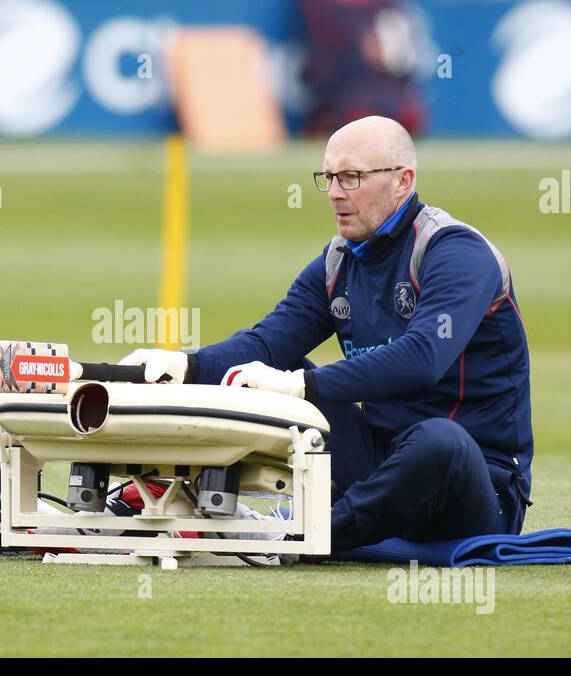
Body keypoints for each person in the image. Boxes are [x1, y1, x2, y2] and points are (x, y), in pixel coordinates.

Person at [121, 116, 532, 553]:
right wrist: (186, 363)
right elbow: (268, 343)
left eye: (352, 177)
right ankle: (192, 498)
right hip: (380, 464)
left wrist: (302, 385)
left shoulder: (455, 252)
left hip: (476, 489)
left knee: (438, 440)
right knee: (261, 371)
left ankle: (300, 537)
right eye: (329, 177)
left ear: (402, 181)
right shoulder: (338, 261)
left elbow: (424, 358)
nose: (336, 192)